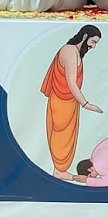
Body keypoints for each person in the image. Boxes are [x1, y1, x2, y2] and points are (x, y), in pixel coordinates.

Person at [39, 26, 103, 181]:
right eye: (93, 41)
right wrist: (87, 104)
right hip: (61, 101)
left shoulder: (75, 53)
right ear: (85, 36)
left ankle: (60, 170)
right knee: (61, 136)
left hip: (69, 101)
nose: (92, 46)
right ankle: (59, 171)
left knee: (68, 137)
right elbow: (71, 83)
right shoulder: (69, 52)